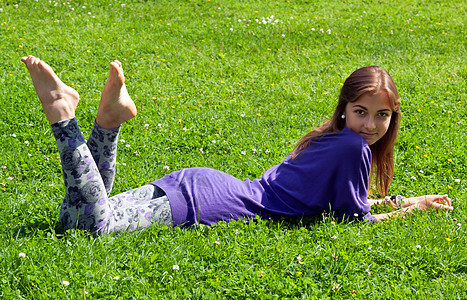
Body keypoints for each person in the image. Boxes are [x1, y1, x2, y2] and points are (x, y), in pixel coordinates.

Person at [21, 55, 453, 235]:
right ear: (345, 109)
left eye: (382, 115)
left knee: (78, 219)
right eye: (362, 112)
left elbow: (348, 206)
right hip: (205, 203)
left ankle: (107, 125)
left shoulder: (332, 140)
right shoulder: (352, 148)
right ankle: (64, 114)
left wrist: (408, 200)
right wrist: (411, 208)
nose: (372, 125)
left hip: (204, 186)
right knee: (92, 226)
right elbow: (354, 219)